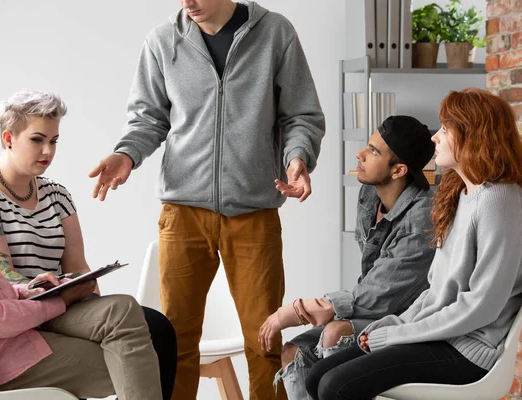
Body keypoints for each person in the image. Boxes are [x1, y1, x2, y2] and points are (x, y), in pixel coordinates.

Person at [88, 1, 325, 399]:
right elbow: (148, 118)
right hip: (183, 212)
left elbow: (300, 114)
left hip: (254, 213)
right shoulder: (163, 41)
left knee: (262, 338)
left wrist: (297, 158)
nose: (187, 3)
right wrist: (126, 153)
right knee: (175, 340)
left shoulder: (274, 34)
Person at [0, 100, 164, 399]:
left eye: (53, 141)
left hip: (16, 328)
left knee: (127, 313)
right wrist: (55, 303)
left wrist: (37, 289)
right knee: (145, 356)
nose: (47, 151)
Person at [304, 88, 522, 400]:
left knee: (336, 385)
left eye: (445, 129)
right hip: (438, 336)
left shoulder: (500, 200)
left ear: (472, 135)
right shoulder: (460, 194)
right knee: (317, 375)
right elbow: (434, 293)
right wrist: (388, 327)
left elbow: (482, 306)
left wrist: (395, 335)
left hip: (468, 349)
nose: (435, 137)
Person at [258, 115, 436, 399]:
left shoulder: (422, 217)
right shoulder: (369, 195)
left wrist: (303, 309)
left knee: (335, 334)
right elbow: (372, 281)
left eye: (374, 151)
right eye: (367, 145)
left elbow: (383, 295)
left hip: (407, 320)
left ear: (399, 169)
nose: (360, 154)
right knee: (294, 352)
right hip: (374, 309)